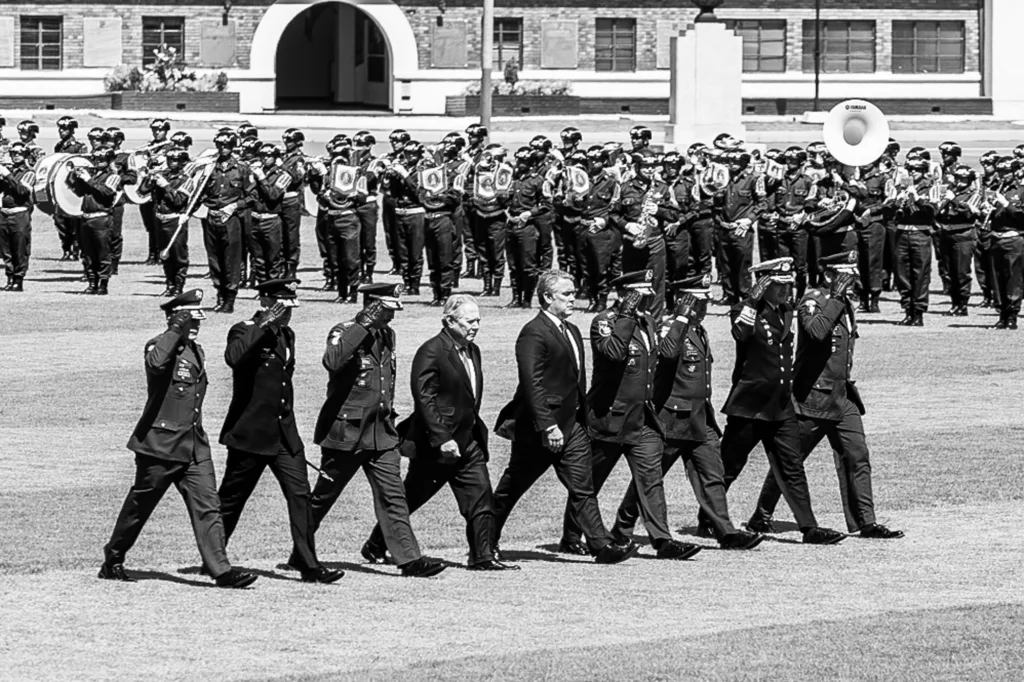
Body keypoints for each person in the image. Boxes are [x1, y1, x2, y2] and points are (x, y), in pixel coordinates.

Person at [99, 289, 257, 588]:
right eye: (190, 319)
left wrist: (183, 329)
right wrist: (174, 328)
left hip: (194, 445)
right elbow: (157, 363)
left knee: (208, 505)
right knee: (140, 506)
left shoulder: (196, 350)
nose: (196, 324)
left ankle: (221, 570)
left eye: (198, 318)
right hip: (161, 445)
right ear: (176, 318)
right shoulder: (159, 345)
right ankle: (114, 557)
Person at [748, 252, 904, 540]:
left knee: (857, 455)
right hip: (812, 397)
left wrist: (840, 298)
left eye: (853, 275)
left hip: (843, 397)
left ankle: (866, 522)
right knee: (791, 461)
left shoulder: (844, 303)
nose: (852, 280)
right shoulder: (813, 300)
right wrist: (835, 296)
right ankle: (762, 515)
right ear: (830, 275)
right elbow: (816, 331)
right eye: (845, 275)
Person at [491, 270, 639, 565]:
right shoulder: (534, 332)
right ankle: (484, 541)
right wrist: (547, 426)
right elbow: (531, 384)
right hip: (539, 429)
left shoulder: (570, 330)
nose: (574, 298)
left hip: (572, 427)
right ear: (548, 297)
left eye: (574, 293)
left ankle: (600, 545)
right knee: (512, 488)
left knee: (583, 487)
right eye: (567, 294)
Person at [361, 295, 516, 571]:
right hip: (435, 446)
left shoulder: (473, 350)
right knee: (412, 497)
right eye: (469, 321)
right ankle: (376, 544)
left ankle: (483, 556)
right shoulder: (431, 351)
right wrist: (443, 439)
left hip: (468, 443)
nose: (476, 326)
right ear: (449, 321)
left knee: (481, 497)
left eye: (478, 320)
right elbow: (424, 399)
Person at [612, 274, 765, 550]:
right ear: (685, 301)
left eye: (705, 301)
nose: (704, 308)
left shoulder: (699, 329)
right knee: (650, 478)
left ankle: (726, 532)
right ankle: (623, 528)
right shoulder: (670, 326)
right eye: (698, 302)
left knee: (712, 475)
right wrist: (681, 317)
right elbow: (668, 353)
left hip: (699, 418)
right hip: (671, 418)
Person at [559, 270, 703, 560]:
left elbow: (667, 353)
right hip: (609, 417)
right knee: (589, 481)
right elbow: (613, 352)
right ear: (625, 294)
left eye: (648, 292)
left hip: (642, 419)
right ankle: (571, 535)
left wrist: (681, 320)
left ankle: (663, 541)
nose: (647, 296)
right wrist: (625, 314)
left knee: (651, 478)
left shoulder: (647, 321)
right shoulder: (604, 322)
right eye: (640, 292)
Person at [309, 283, 446, 577]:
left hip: (381, 432)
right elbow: (332, 361)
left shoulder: (388, 334)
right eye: (386, 310)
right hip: (348, 431)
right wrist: (363, 324)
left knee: (393, 495)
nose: (392, 317)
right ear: (372, 306)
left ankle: (409, 560)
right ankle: (302, 552)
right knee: (323, 497)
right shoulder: (344, 330)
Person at [216, 278, 344, 584]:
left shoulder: (288, 334)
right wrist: (264, 323)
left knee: (300, 495)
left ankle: (308, 564)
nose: (287, 314)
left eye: (290, 308)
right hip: (250, 432)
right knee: (232, 500)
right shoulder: (243, 328)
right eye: (281, 307)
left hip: (284, 432)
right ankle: (215, 558)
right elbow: (234, 358)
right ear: (265, 301)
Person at [719, 257, 846, 545]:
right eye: (778, 285)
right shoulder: (743, 310)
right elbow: (741, 334)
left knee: (792, 467)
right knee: (729, 466)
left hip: (780, 404)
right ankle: (710, 517)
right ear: (763, 285)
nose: (785, 291)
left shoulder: (787, 311)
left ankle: (809, 527)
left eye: (788, 285)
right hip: (749, 405)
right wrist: (751, 301)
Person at [200, 130, 254, 314]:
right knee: (214, 259)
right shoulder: (210, 167)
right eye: (220, 145)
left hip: (231, 219)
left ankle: (229, 298)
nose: (223, 149)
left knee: (231, 259)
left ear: (233, 146)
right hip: (212, 216)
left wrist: (233, 207)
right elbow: (201, 193)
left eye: (227, 145)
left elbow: (252, 195)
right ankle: (219, 294)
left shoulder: (242, 168)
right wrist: (186, 212)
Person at [68, 146, 121, 295]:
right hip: (86, 217)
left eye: (102, 159)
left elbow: (107, 192)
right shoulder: (92, 175)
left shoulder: (113, 176)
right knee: (88, 253)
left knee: (103, 252)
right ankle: (92, 282)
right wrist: (77, 178)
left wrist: (88, 180)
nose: (99, 161)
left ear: (109, 160)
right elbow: (79, 193)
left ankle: (103, 284)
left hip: (102, 218)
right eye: (96, 158)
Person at [138, 148, 192, 296]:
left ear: (182, 162)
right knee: (165, 254)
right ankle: (169, 285)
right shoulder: (162, 175)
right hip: (159, 218)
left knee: (178, 255)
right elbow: (141, 191)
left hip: (175, 219)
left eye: (175, 160)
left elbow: (179, 200)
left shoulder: (186, 179)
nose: (171, 163)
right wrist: (149, 177)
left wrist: (166, 186)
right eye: (169, 160)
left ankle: (179, 287)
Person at [892, 157, 936, 326]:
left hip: (920, 233)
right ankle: (907, 310)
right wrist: (898, 201)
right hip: (902, 232)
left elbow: (933, 212)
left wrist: (916, 198)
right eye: (910, 170)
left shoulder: (931, 187)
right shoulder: (900, 187)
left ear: (924, 172)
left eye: (916, 170)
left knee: (920, 274)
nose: (913, 173)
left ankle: (918, 312)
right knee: (902, 273)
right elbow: (890, 211)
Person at [988, 155, 1024, 329]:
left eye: (1007, 172)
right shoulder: (996, 188)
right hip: (996, 238)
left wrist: (1007, 204)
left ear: (1016, 172)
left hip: (1014, 239)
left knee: (1013, 279)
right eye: (1000, 172)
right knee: (997, 279)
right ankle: (1001, 313)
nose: (1003, 176)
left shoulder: (1022, 190)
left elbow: (1022, 216)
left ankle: (1012, 316)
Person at [247, 143, 290, 284]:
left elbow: (273, 195)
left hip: (271, 220)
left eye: (269, 156)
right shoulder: (257, 173)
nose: (265, 158)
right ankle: (262, 289)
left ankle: (272, 289)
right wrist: (252, 179)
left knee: (273, 259)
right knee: (258, 259)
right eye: (262, 156)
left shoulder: (283, 175)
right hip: (255, 218)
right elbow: (249, 194)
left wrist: (262, 179)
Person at [0, 143, 35, 292]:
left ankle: (18, 279)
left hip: (20, 214)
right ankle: (9, 276)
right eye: (13, 153)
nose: (16, 156)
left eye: (19, 153)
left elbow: (22, 191)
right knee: (5, 248)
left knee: (20, 248)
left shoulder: (29, 173)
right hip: (4, 213)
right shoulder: (9, 170)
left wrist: (7, 175)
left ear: (26, 155)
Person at [54, 116, 88, 263]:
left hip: (74, 188)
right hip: (60, 187)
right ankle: (66, 249)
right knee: (60, 219)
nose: (61, 131)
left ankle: (76, 249)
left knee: (75, 219)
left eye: (65, 128)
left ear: (72, 130)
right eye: (60, 128)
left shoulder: (80, 147)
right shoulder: (58, 146)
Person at [279, 128, 307, 278]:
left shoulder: (299, 159)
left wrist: (281, 166)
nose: (286, 143)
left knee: (291, 236)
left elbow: (296, 178)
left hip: (291, 200)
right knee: (279, 236)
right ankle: (281, 265)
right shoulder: (283, 156)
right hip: (278, 198)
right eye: (285, 140)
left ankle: (291, 268)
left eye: (290, 141)